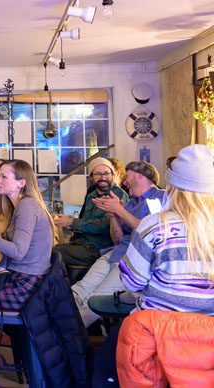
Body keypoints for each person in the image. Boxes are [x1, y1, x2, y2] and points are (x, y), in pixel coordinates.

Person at [92, 145, 214, 387]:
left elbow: (132, 282)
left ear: (173, 188)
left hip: (153, 335)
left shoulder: (155, 225)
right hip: (206, 340)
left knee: (103, 368)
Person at [71, 161, 165, 327]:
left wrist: (119, 210)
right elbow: (117, 239)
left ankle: (66, 336)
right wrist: (113, 215)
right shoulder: (130, 204)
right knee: (79, 290)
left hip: (132, 260)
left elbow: (151, 232)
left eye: (127, 176)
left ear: (140, 175)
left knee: (95, 298)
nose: (125, 182)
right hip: (114, 253)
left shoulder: (159, 197)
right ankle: (54, 326)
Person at [0, 159, 57, 310]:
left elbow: (18, 252)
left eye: (3, 177)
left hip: (25, 286)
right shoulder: (18, 205)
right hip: (17, 277)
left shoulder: (27, 206)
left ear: (21, 183)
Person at [53, 158, 128, 270]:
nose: (103, 177)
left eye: (106, 173)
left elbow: (105, 225)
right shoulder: (91, 195)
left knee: (53, 253)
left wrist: (73, 222)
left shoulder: (118, 195)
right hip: (84, 244)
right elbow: (86, 223)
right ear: (91, 177)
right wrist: (69, 222)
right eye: (98, 174)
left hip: (101, 249)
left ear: (113, 175)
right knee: (51, 248)